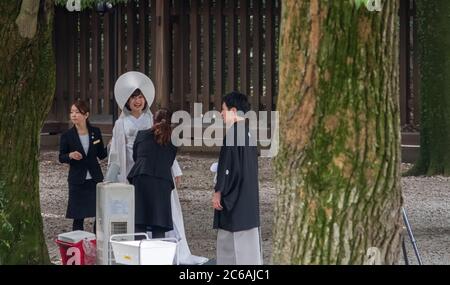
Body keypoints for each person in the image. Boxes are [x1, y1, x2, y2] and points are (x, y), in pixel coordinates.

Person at [106, 71, 208, 264]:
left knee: (161, 208)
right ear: (127, 101)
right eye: (134, 98)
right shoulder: (121, 123)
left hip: (155, 167)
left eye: (141, 97)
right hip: (133, 169)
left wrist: (175, 169)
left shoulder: (150, 119)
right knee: (140, 211)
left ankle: (162, 251)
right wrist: (114, 175)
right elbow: (117, 152)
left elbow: (165, 146)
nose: (138, 101)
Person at [212, 91, 263, 265]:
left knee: (231, 249)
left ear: (233, 110)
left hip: (236, 200)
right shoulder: (248, 133)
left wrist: (219, 191)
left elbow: (227, 168)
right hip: (248, 196)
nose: (221, 114)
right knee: (248, 250)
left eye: (223, 110)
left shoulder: (233, 135)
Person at [59, 99, 107, 232]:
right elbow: (61, 157)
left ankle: (98, 242)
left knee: (99, 214)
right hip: (77, 180)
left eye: (77, 112)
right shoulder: (67, 136)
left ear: (86, 115)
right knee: (78, 216)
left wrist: (113, 145)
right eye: (72, 112)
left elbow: (102, 154)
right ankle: (78, 245)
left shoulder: (95, 132)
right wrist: (70, 155)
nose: (74, 115)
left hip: (95, 179)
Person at [127, 109, 176, 238]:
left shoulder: (142, 134)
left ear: (153, 120)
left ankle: (139, 252)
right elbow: (169, 161)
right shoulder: (172, 140)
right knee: (159, 222)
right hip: (162, 180)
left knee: (139, 219)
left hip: (141, 176)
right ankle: (157, 256)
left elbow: (135, 156)